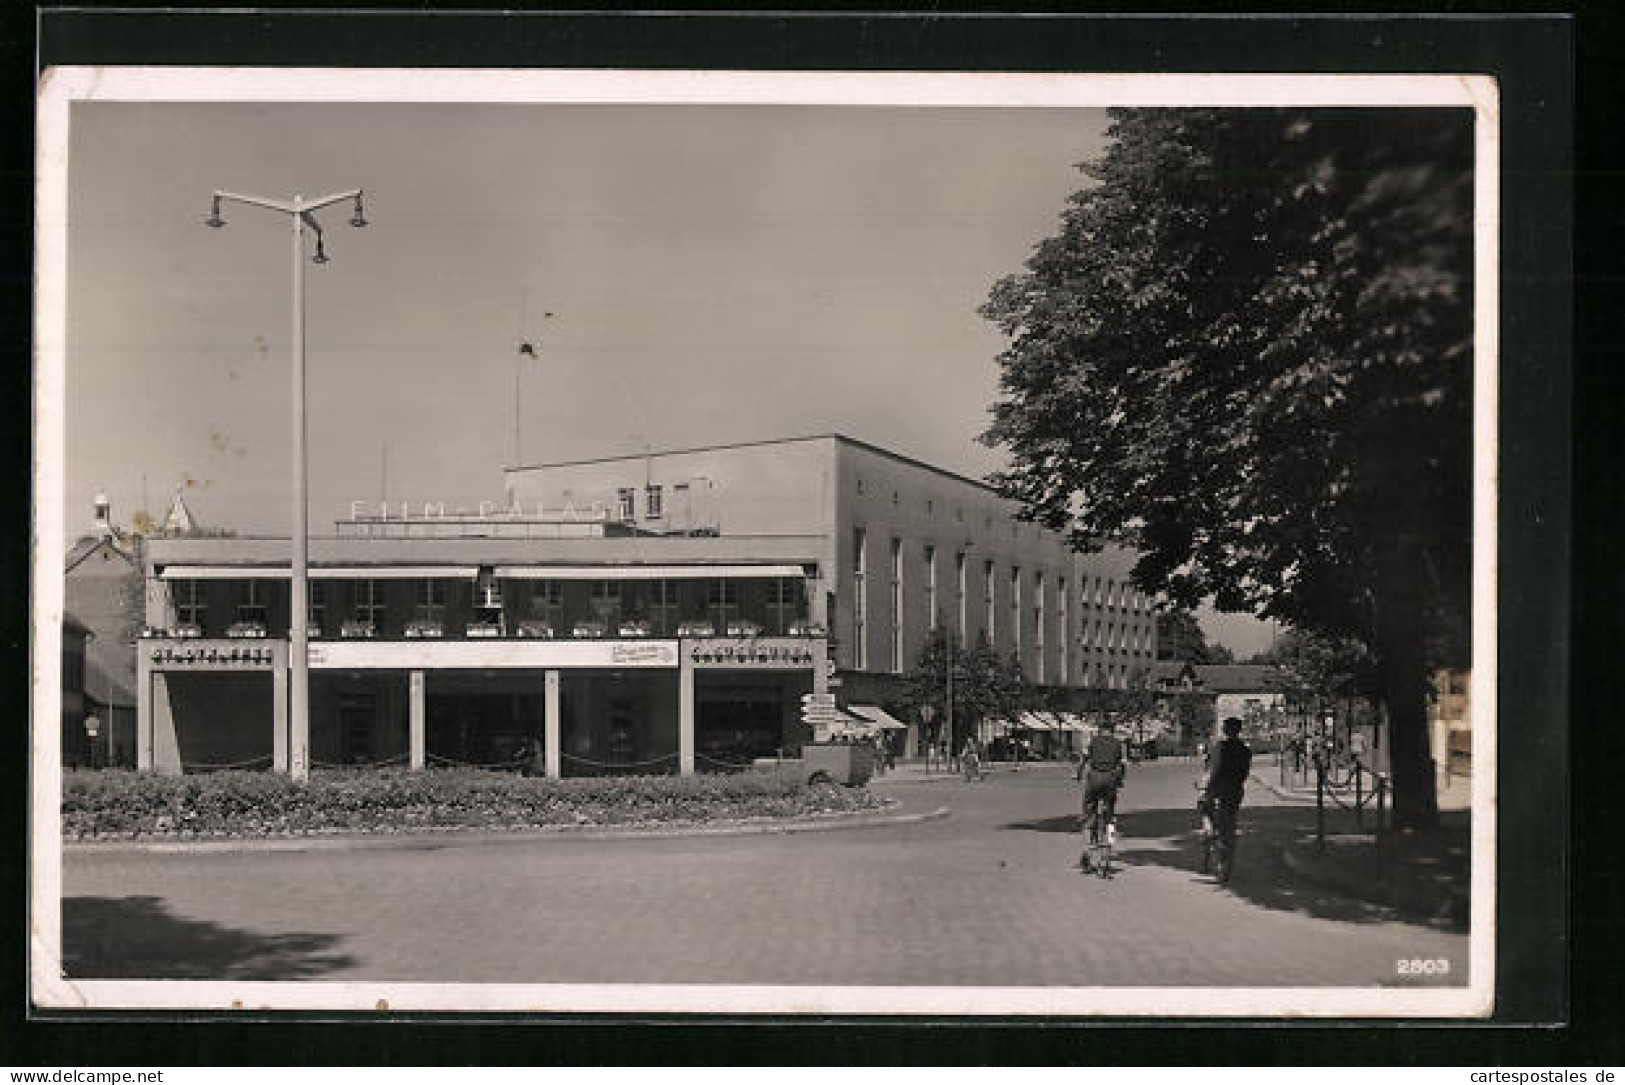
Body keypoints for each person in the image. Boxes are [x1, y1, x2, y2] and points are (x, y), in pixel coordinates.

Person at [1202, 716, 1254, 881]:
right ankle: (1226, 863)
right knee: (1230, 825)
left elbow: (1212, 770)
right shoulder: (1245, 750)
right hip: (1236, 791)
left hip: (1218, 791)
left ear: (1227, 730)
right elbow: (1244, 773)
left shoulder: (1220, 747)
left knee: (1211, 820)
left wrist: (1206, 788)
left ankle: (1216, 857)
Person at [1076, 719, 1127, 869]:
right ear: (1112, 730)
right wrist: (1121, 779)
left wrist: (1078, 774)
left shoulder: (1092, 742)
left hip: (1094, 779)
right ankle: (1108, 851)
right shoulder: (1119, 744)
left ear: (1100, 729)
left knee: (1088, 814)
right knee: (1110, 818)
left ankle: (1086, 850)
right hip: (1110, 779)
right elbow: (1123, 764)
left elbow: (1083, 759)